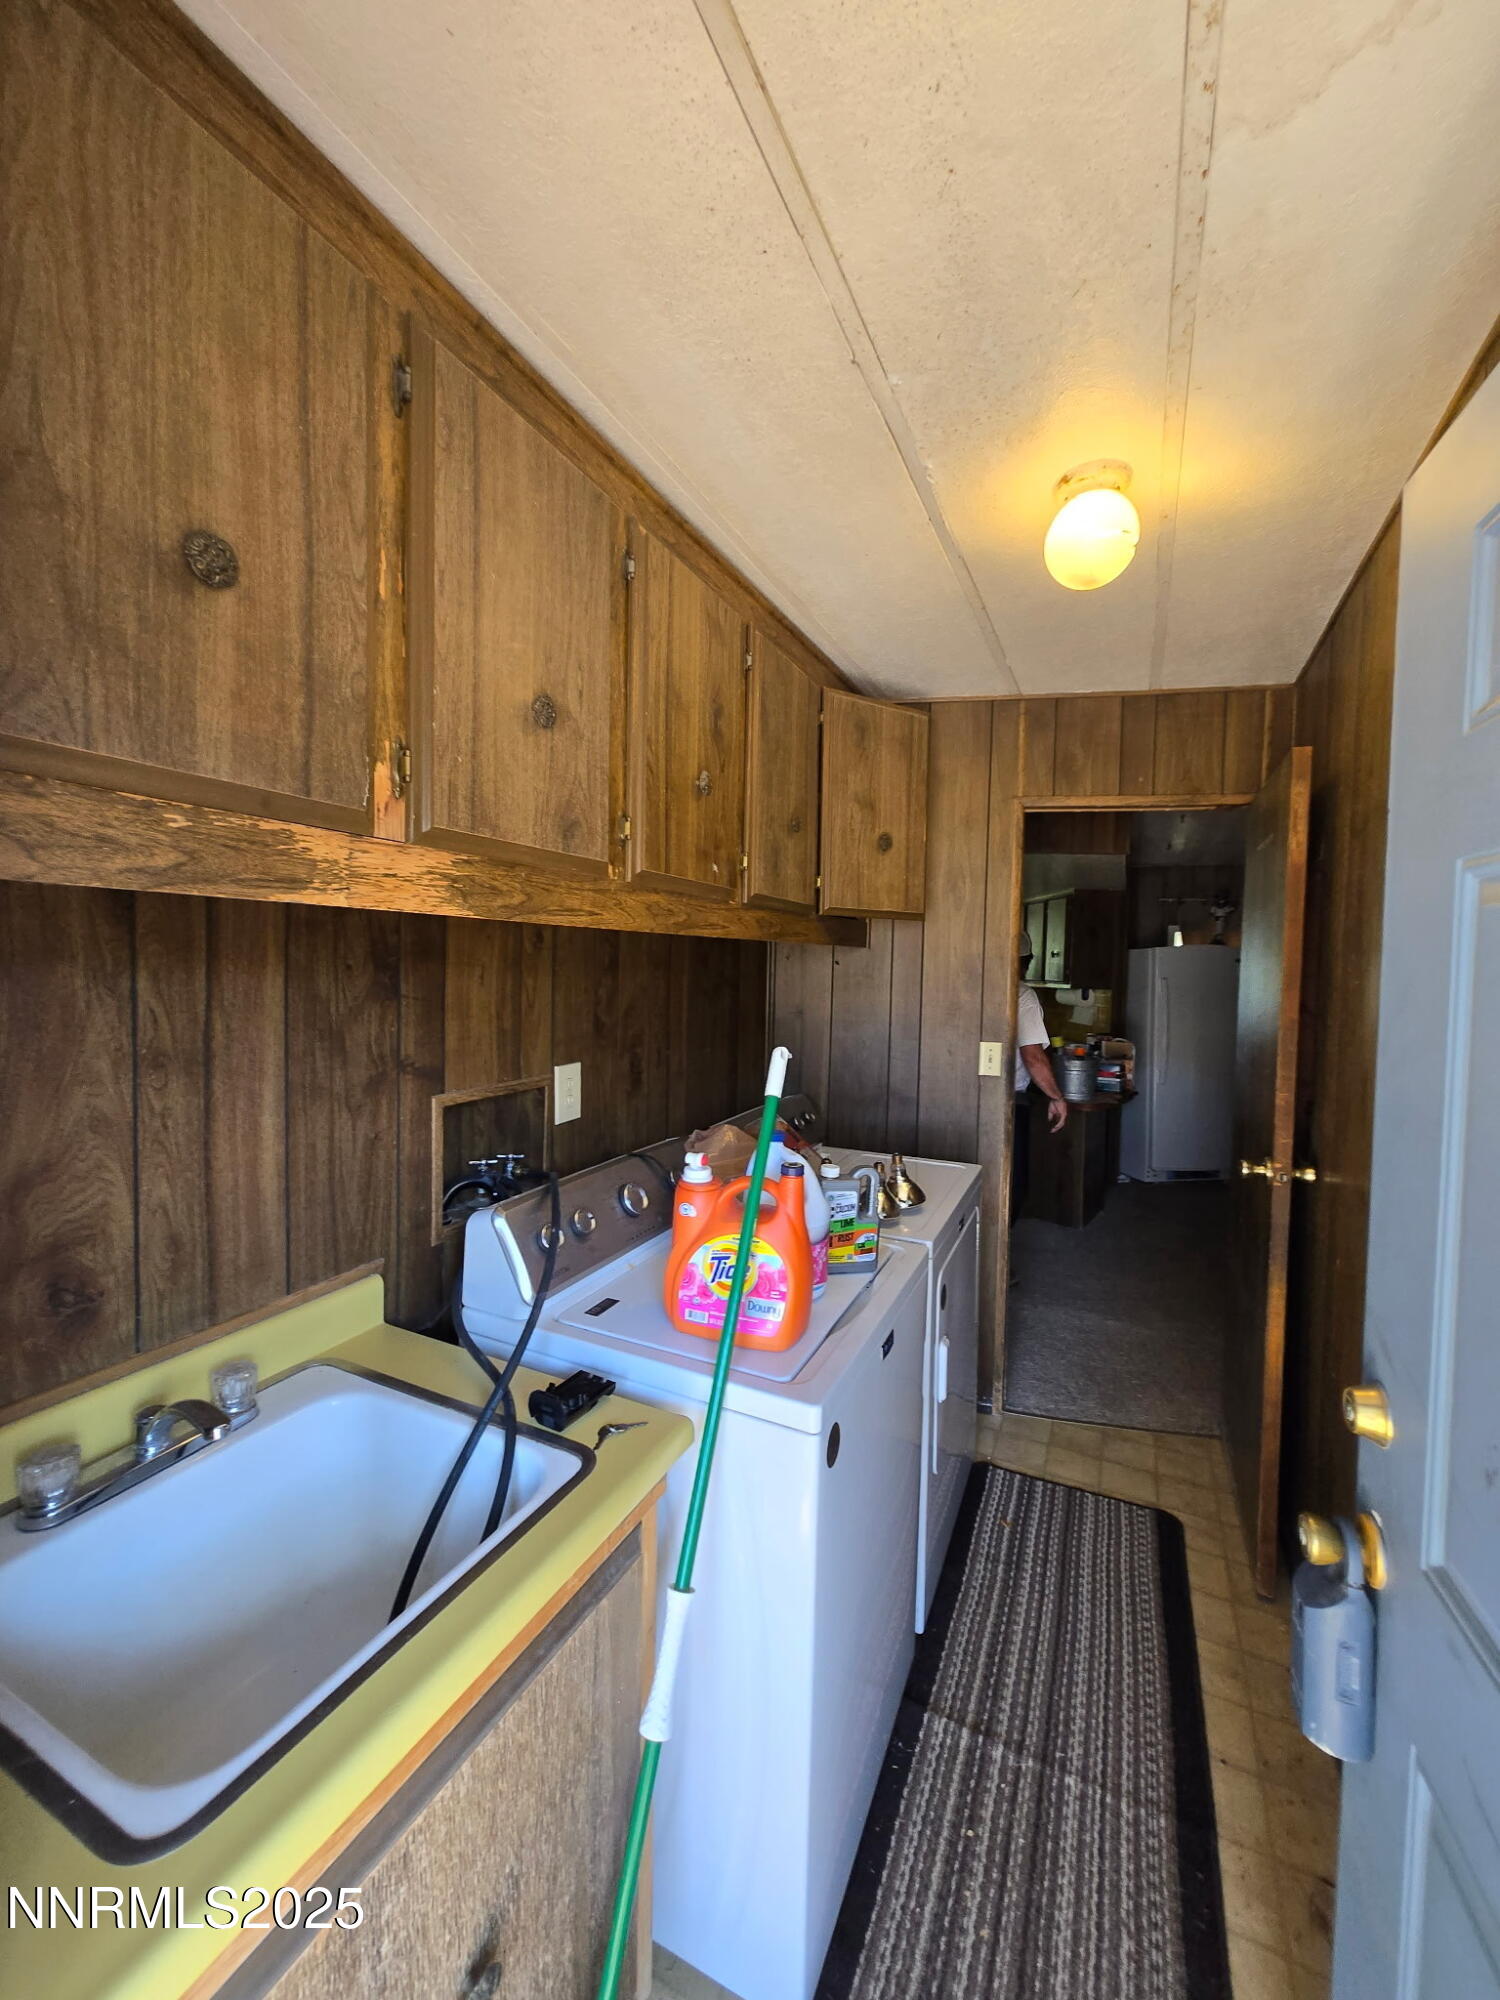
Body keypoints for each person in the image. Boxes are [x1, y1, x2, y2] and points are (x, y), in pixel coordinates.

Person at [1012, 931, 1067, 1225]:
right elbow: (1033, 1056)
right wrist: (1056, 1097)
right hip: (1006, 1102)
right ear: (1028, 961)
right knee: (1013, 1183)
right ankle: (997, 1262)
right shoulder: (1022, 995)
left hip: (960, 1097)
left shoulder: (974, 985)